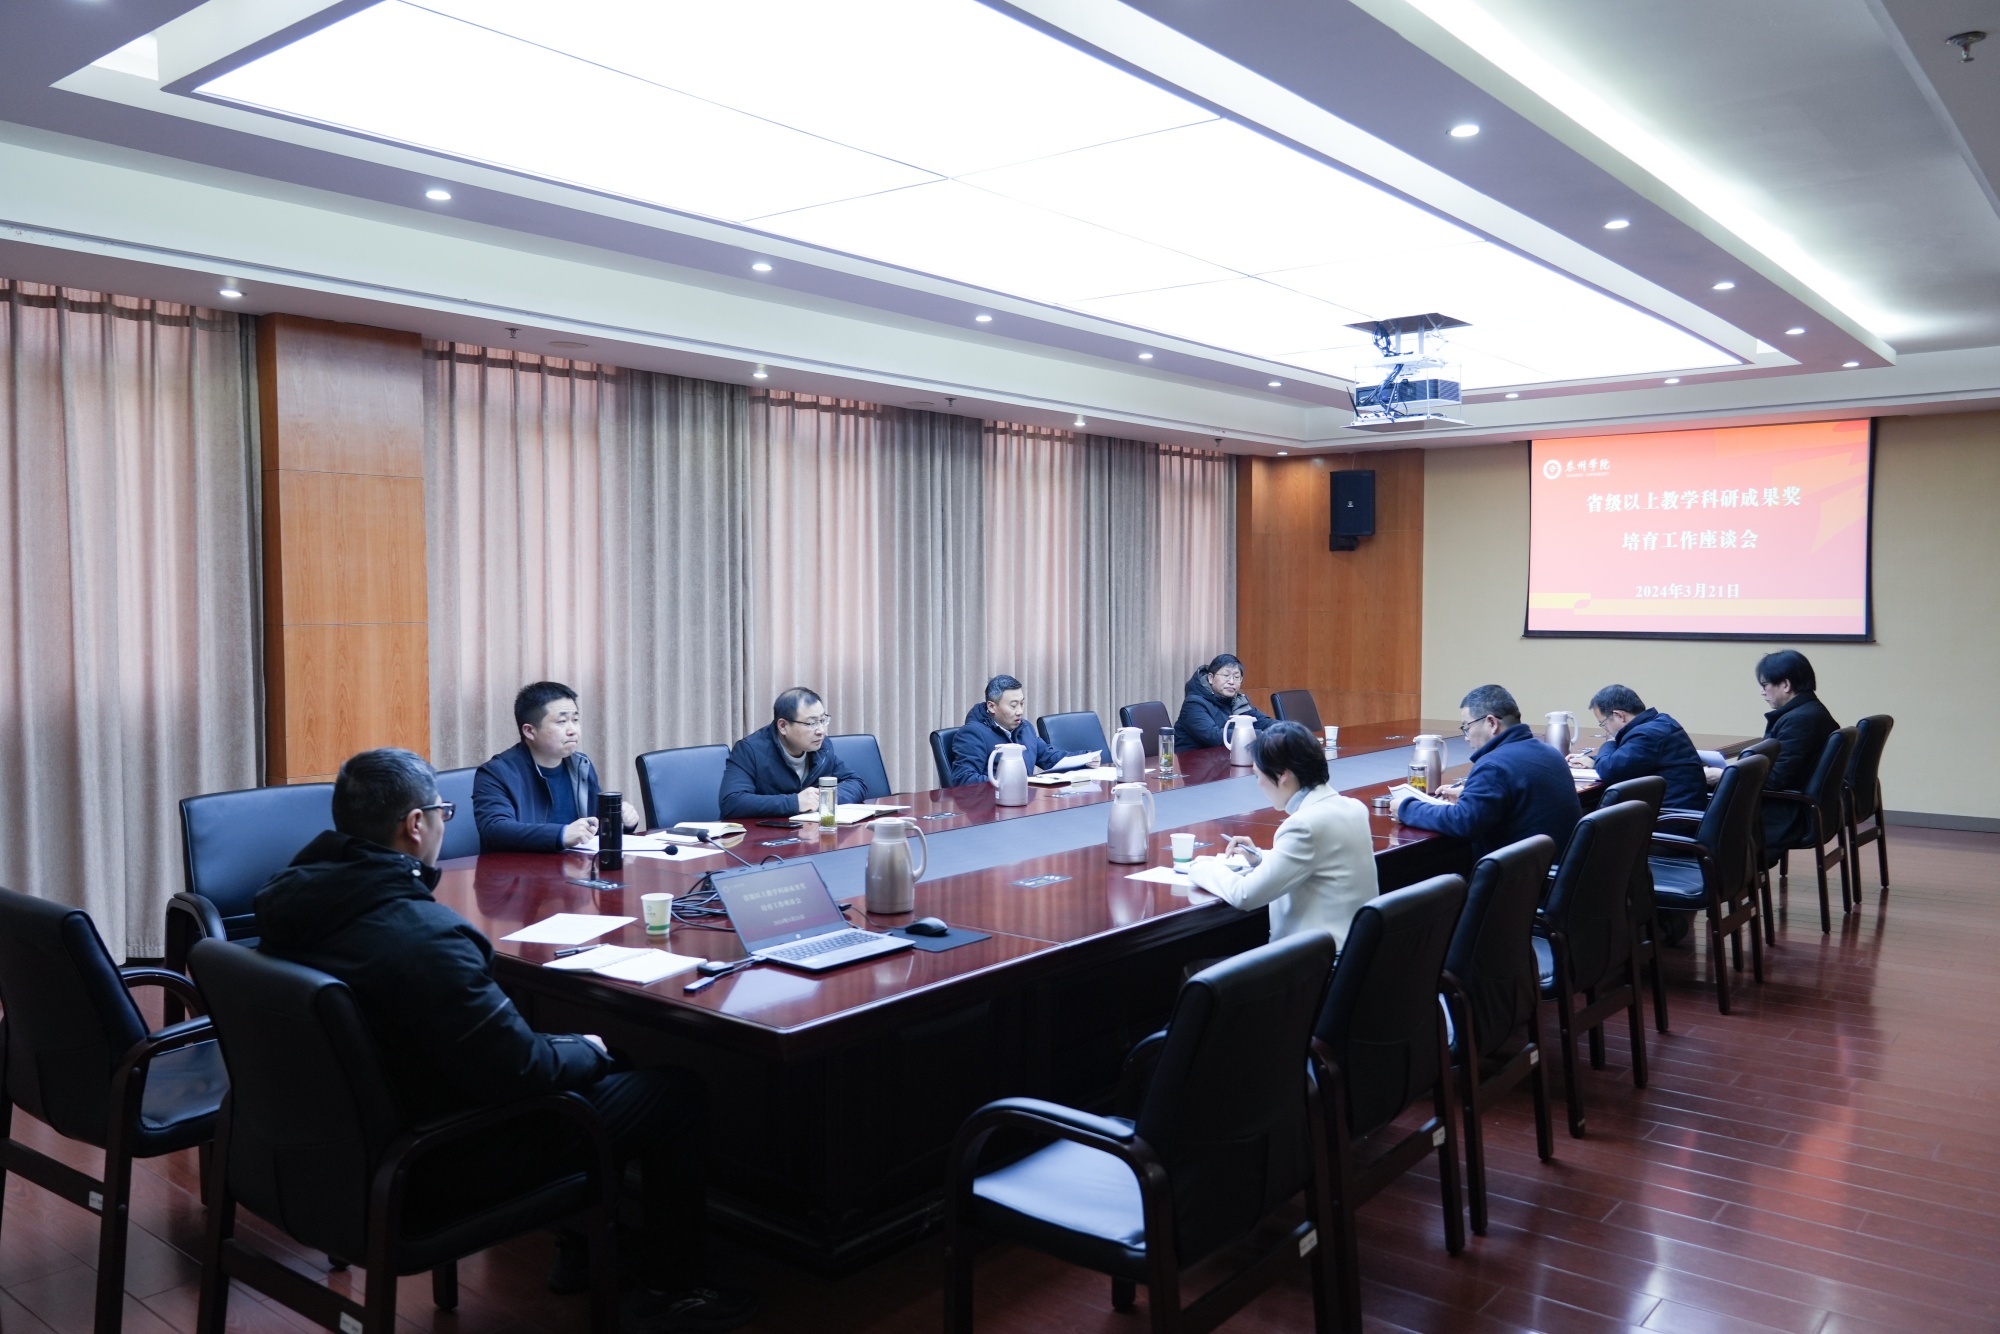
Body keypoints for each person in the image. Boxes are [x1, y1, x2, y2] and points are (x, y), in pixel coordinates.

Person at [254, 749, 754, 1331]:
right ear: (415, 825)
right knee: (671, 1090)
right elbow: (519, 1071)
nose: (443, 823)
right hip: (433, 1161)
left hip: (323, 1153)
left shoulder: (290, 901)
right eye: (441, 812)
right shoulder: (425, 937)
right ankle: (673, 1289)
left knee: (597, 1060)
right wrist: (587, 1047)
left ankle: (585, 1247)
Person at [1186, 721, 1377, 948]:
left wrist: (1200, 867)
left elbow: (1244, 895)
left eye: (1257, 775)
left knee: (1196, 966)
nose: (1258, 784)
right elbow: (1317, 861)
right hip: (1354, 953)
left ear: (1282, 774)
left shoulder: (1303, 825)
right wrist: (1259, 857)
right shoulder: (1354, 808)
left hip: (1315, 961)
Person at [1394, 684, 1582, 861]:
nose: (1466, 737)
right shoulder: (1549, 752)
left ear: (1491, 722)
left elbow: (1464, 822)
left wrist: (1406, 809)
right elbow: (1520, 796)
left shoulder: (1494, 765)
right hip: (1556, 871)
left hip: (1520, 879)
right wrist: (1471, 795)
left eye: (1467, 727)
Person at [473, 681, 640, 853]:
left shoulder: (580, 765)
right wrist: (561, 834)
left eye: (575, 720)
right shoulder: (496, 773)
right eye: (561, 721)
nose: (572, 730)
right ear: (529, 731)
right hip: (523, 867)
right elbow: (494, 829)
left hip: (577, 865)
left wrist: (621, 822)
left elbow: (595, 825)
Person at [718, 687, 866, 819]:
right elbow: (732, 802)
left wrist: (824, 799)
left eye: (823, 720)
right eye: (812, 723)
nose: (821, 731)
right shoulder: (750, 750)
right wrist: (795, 802)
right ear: (783, 726)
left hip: (809, 833)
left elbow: (856, 783)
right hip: (763, 836)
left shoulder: (822, 748)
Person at [1756, 649, 1839, 858]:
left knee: (1706, 810)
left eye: (1765, 684)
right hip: (1801, 806)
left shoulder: (1799, 721)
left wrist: (1725, 775)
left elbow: (1776, 779)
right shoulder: (1811, 710)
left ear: (1785, 685)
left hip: (1787, 813)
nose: (1762, 692)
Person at [1574, 684, 1709, 811]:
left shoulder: (1646, 735)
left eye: (1603, 724)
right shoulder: (1660, 722)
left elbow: (1610, 771)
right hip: (1679, 809)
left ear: (1619, 715)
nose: (1606, 729)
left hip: (1669, 818)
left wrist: (1609, 741)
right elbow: (1631, 757)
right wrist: (1593, 761)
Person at [949, 674, 1101, 786]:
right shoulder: (972, 734)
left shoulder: (1024, 728)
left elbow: (1049, 757)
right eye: (1013, 705)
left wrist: (1085, 758)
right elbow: (963, 779)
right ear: (992, 706)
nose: (1020, 711)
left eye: (1022, 704)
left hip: (1022, 802)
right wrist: (1008, 783)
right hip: (991, 808)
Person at [1174, 653, 1275, 751]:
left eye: (1236, 677)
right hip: (1191, 760)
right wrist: (1260, 735)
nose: (1231, 682)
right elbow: (1214, 736)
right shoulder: (1194, 704)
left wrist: (1282, 729)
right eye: (1226, 675)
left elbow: (1264, 722)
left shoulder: (1237, 701)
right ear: (1210, 678)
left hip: (1224, 759)